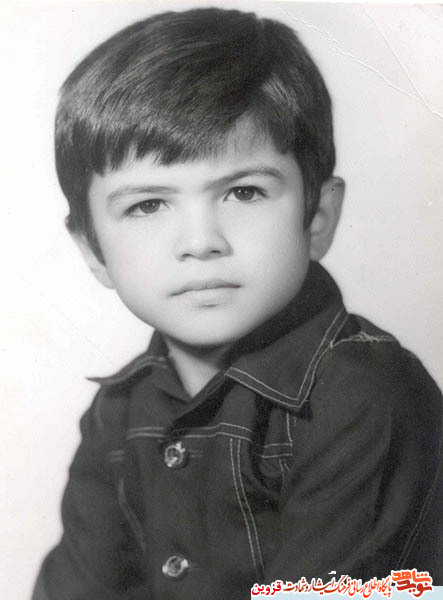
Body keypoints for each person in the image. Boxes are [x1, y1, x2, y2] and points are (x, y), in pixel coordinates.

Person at [32, 7, 443, 598]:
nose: (201, 242)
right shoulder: (117, 413)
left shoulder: (367, 394)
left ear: (319, 217)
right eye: (148, 205)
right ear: (93, 250)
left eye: (244, 192)